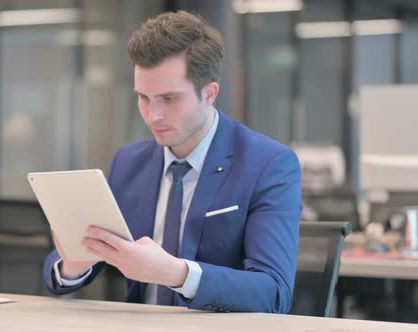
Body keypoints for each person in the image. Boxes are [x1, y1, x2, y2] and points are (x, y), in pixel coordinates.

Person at [43, 10, 301, 313]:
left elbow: (273, 294)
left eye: (169, 99)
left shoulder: (268, 165)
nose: (154, 116)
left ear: (209, 94)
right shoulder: (129, 163)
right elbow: (59, 274)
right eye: (144, 98)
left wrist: (175, 274)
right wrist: (74, 264)